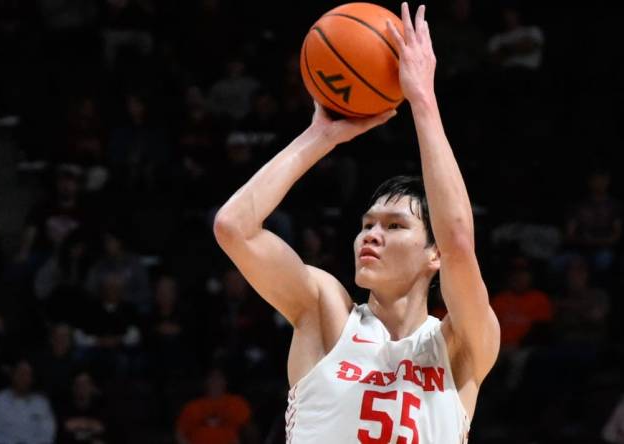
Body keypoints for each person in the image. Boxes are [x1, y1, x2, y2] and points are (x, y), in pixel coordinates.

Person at [213, 4, 500, 442]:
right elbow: (234, 227)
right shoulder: (327, 313)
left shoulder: (460, 344)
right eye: (367, 223)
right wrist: (320, 136)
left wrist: (422, 100)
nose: (372, 233)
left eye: (395, 226)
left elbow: (459, 240)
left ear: (433, 255)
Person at [0, 358, 57, 444]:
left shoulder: (42, 403)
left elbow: (47, 435)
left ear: (32, 379)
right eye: (20, 373)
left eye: (27, 374)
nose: (23, 378)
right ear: (12, 375)